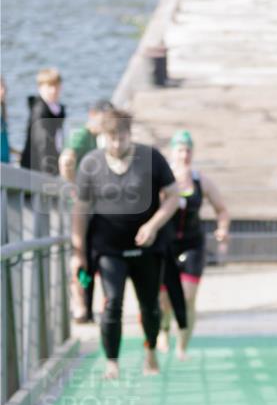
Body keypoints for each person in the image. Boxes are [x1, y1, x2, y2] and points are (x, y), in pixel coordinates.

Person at [71, 107, 181, 379]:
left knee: (150, 305)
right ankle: (112, 362)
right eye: (112, 138)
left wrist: (153, 225)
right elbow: (80, 210)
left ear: (129, 134)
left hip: (147, 247)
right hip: (108, 249)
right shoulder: (90, 163)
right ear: (103, 137)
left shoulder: (151, 157)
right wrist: (79, 252)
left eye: (122, 137)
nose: (117, 144)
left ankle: (151, 351)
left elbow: (173, 196)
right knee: (112, 303)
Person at [157, 129, 230, 358]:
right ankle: (163, 329)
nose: (184, 154)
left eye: (188, 150)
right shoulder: (163, 180)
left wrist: (222, 229)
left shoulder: (201, 181)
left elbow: (222, 210)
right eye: (180, 149)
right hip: (167, 245)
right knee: (165, 300)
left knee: (188, 297)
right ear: (172, 152)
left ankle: (182, 345)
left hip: (193, 244)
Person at [59, 99, 113, 324]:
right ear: (93, 114)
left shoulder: (96, 139)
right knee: (80, 256)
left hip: (91, 209)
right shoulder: (82, 136)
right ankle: (81, 307)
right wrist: (74, 184)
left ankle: (87, 308)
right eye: (105, 118)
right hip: (80, 211)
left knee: (89, 257)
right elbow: (66, 159)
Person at [20, 68, 65, 176]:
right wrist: (48, 171)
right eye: (49, 86)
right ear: (40, 88)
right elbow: (42, 143)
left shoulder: (57, 110)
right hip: (37, 168)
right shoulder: (39, 111)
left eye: (56, 86)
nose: (53, 90)